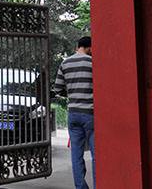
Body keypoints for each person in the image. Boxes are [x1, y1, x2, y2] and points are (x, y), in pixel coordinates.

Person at [52, 35, 94, 189]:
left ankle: (80, 187)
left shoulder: (65, 63)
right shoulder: (93, 62)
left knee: (76, 155)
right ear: (90, 47)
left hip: (73, 113)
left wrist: (71, 93)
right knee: (96, 155)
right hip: (90, 113)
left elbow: (57, 89)